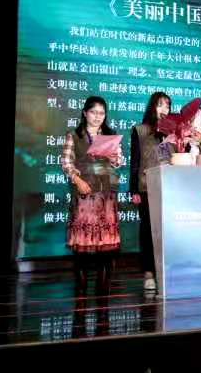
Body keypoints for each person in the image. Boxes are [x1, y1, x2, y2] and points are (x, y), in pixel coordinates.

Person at [61, 96, 122, 295]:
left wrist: (114, 157)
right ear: (85, 113)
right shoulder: (74, 135)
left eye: (101, 113)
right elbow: (66, 163)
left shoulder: (110, 135)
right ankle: (80, 287)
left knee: (106, 245)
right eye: (94, 112)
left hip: (106, 194)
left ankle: (103, 287)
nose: (97, 117)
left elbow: (118, 163)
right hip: (84, 192)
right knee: (83, 243)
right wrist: (77, 180)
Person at [130, 92, 174, 291]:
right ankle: (148, 272)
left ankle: (164, 270)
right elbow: (135, 161)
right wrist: (133, 189)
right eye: (160, 105)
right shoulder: (140, 130)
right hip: (146, 186)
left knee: (167, 231)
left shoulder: (173, 131)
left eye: (167, 105)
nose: (164, 109)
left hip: (170, 187)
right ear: (152, 107)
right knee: (148, 230)